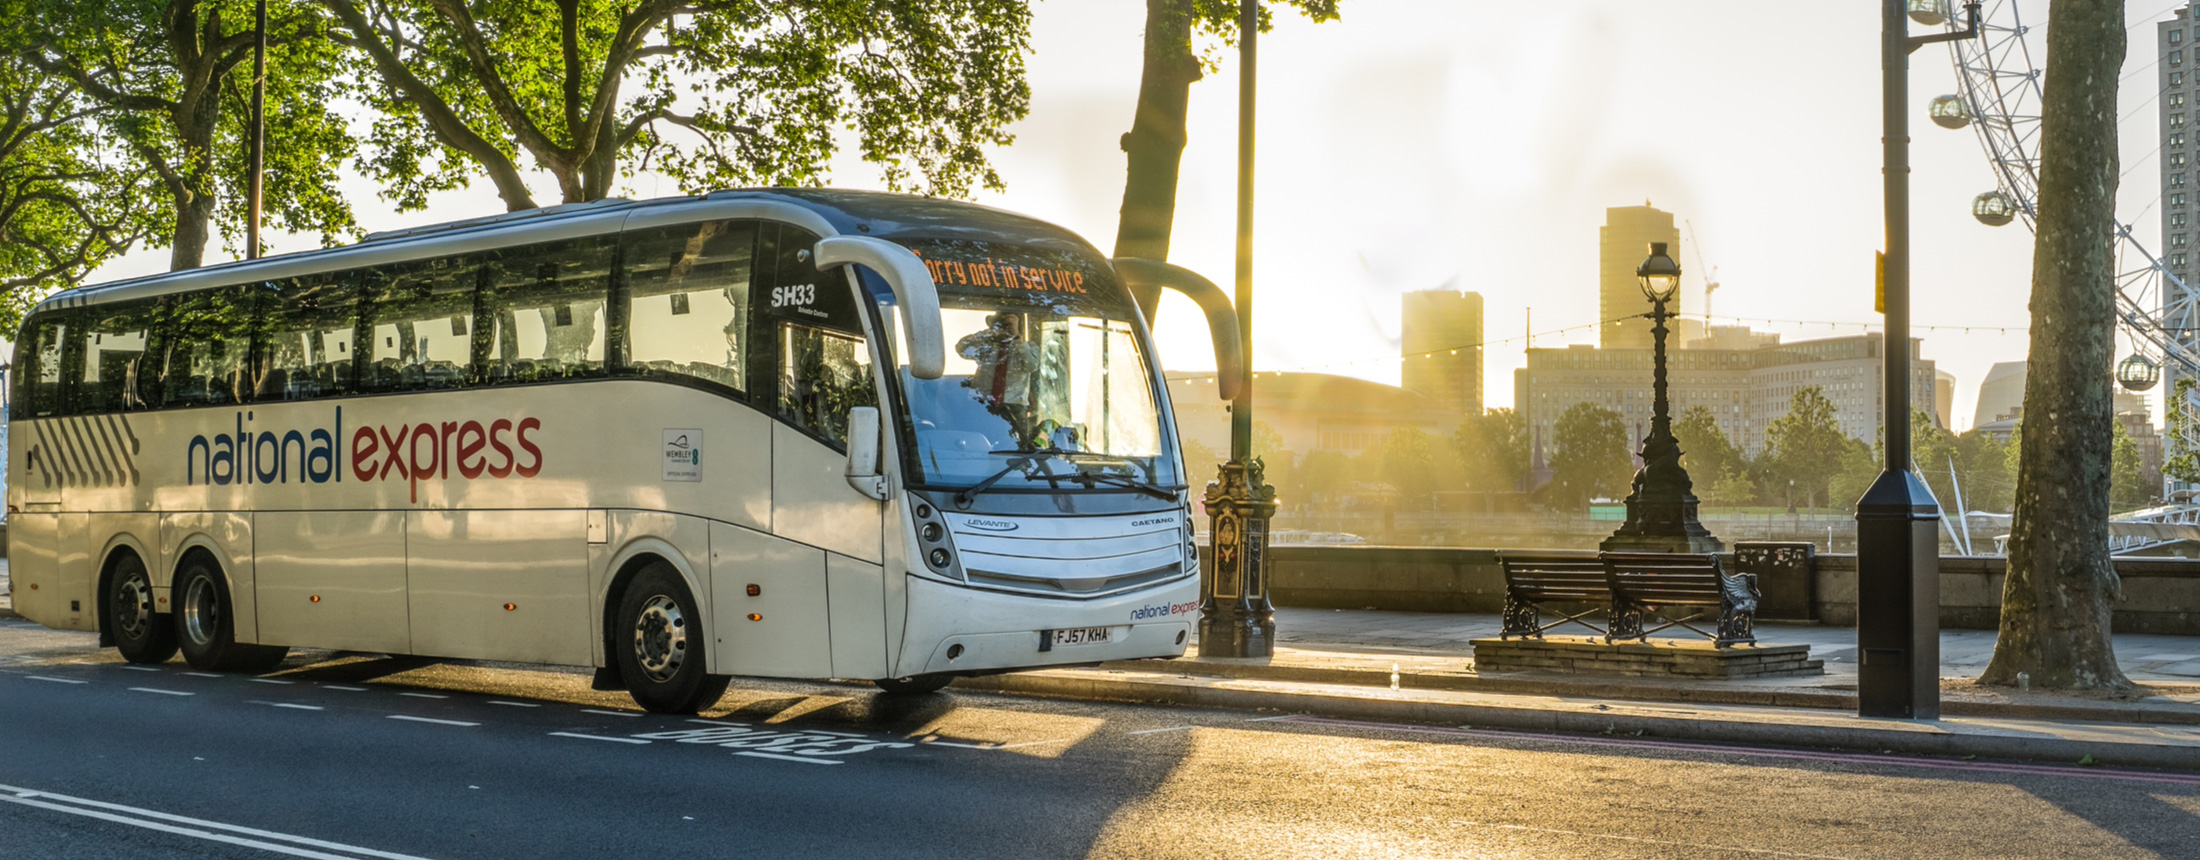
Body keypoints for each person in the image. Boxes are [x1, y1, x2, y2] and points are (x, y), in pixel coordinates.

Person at [958, 313, 1039, 446]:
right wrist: (987, 335)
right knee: (975, 445)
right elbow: (962, 349)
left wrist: (1017, 338)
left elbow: (1032, 365)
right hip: (982, 404)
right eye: (1000, 324)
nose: (1004, 328)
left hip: (1014, 407)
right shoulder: (986, 345)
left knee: (1019, 449)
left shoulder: (1029, 347)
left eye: (1009, 325)